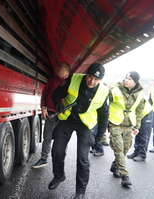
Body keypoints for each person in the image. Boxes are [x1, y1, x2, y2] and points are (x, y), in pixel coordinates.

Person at [49, 63, 109, 199]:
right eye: (90, 77)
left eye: (96, 79)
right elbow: (57, 93)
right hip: (68, 120)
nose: (92, 81)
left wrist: (99, 137)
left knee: (82, 158)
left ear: (101, 80)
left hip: (86, 125)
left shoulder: (104, 92)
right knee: (57, 150)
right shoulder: (74, 79)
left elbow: (104, 116)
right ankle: (59, 176)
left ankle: (80, 191)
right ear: (86, 74)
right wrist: (58, 103)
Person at [108, 71, 145, 187]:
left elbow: (139, 111)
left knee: (125, 149)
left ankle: (115, 166)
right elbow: (105, 106)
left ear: (135, 82)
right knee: (118, 148)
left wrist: (137, 126)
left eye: (129, 79)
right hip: (115, 123)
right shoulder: (114, 90)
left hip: (129, 124)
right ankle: (125, 175)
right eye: (125, 78)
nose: (126, 80)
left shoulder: (140, 94)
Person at [32, 62, 70, 168]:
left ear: (66, 69)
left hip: (65, 115)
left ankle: (60, 160)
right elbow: (44, 94)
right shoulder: (52, 80)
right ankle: (44, 159)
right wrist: (43, 108)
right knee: (47, 137)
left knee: (62, 138)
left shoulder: (71, 81)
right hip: (50, 112)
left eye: (60, 67)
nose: (57, 68)